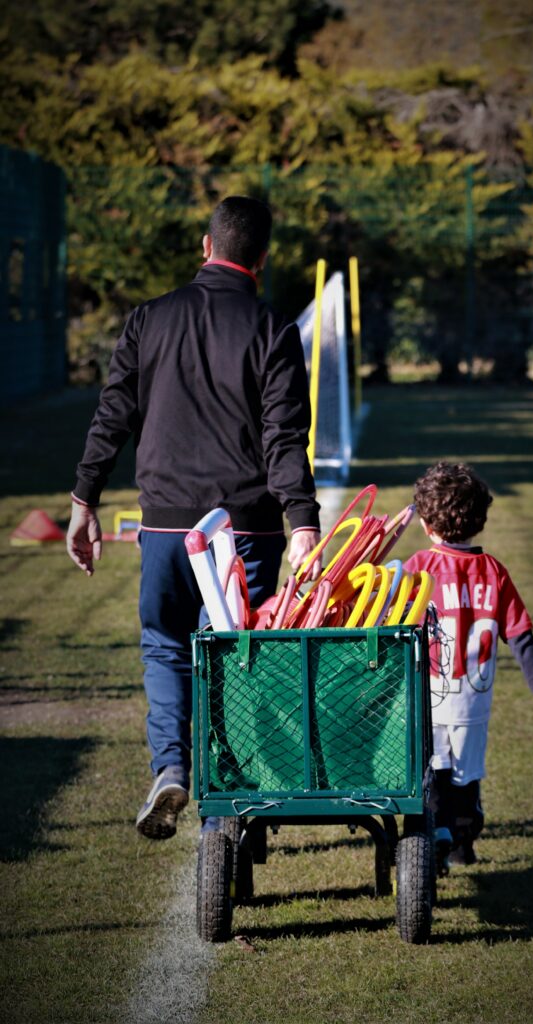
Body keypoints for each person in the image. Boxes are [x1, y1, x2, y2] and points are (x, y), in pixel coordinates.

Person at [67, 195, 321, 840]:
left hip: (164, 527)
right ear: (261, 259)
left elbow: (113, 415)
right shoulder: (273, 328)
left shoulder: (148, 319)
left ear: (206, 247)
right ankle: (228, 814)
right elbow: (284, 436)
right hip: (245, 531)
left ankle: (172, 766)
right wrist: (303, 522)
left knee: (165, 647)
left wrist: (84, 500)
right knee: (235, 661)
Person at [404, 462, 533, 870]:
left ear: (427, 525)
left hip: (427, 699)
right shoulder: (493, 571)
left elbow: (393, 629)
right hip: (473, 706)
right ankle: (461, 844)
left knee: (429, 773)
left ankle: (432, 843)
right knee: (465, 777)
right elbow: (520, 633)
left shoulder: (420, 567)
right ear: (481, 520)